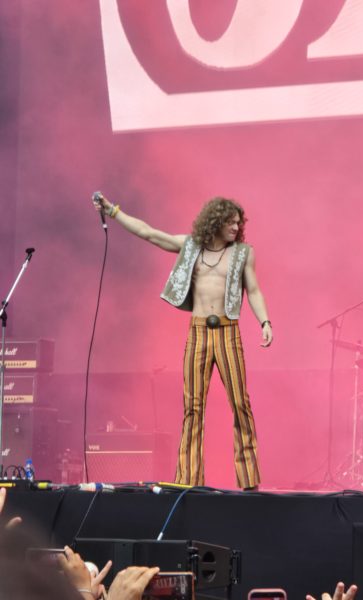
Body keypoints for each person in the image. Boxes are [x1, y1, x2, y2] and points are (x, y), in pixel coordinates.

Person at [93, 194, 273, 490]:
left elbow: (253, 290)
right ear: (216, 221)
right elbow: (148, 233)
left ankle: (249, 480)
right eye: (231, 222)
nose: (236, 227)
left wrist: (264, 322)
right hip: (198, 332)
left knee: (240, 403)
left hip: (228, 332)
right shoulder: (191, 246)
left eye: (238, 222)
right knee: (193, 406)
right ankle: (189, 479)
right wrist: (113, 211)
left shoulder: (243, 253)